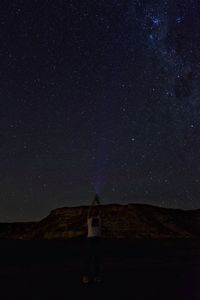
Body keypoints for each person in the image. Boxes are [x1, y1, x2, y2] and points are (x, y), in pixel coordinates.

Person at [82, 194, 102, 284]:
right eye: (93, 210)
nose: (94, 211)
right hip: (90, 239)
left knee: (96, 259)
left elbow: (101, 210)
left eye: (95, 210)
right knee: (88, 258)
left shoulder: (99, 218)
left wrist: (98, 203)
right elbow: (89, 211)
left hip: (97, 239)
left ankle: (96, 276)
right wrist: (93, 202)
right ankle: (85, 276)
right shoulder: (89, 219)